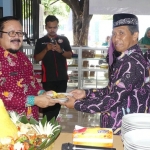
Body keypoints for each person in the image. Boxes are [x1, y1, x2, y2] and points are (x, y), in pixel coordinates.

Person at [61, 13, 150, 135]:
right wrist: (86, 93)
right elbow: (112, 90)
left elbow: (112, 100)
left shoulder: (133, 63)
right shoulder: (126, 58)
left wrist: (77, 104)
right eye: (114, 33)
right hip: (116, 127)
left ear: (135, 35)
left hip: (124, 132)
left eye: (121, 33)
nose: (115, 38)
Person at [0, 16, 58, 120]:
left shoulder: (23, 57)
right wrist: (34, 100)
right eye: (11, 33)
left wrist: (42, 93)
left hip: (31, 121)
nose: (17, 37)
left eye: (20, 33)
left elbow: (32, 82)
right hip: (8, 123)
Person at [34, 15, 72, 121]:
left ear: (57, 26)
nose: (52, 30)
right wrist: (46, 49)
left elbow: (69, 55)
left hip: (62, 77)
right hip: (48, 78)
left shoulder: (63, 39)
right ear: (46, 27)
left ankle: (52, 121)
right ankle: (48, 123)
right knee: (48, 102)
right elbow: (37, 58)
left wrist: (61, 51)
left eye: (55, 27)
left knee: (59, 102)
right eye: (50, 27)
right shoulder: (41, 41)